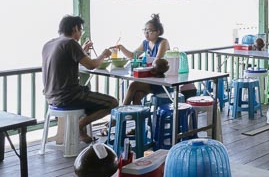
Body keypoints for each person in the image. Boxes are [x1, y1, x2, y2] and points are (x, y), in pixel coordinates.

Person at [41, 15, 118, 145]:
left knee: (90, 96)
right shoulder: (70, 43)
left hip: (50, 97)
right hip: (68, 97)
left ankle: (81, 130)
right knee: (113, 103)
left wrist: (82, 50)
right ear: (74, 28)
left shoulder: (49, 44)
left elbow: (65, 60)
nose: (81, 33)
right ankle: (79, 125)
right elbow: (92, 65)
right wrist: (104, 55)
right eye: (80, 29)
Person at [114, 13, 171, 105]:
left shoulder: (163, 42)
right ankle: (139, 119)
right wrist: (121, 47)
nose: (146, 33)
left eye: (149, 31)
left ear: (158, 32)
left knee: (133, 85)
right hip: (150, 79)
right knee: (137, 96)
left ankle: (122, 112)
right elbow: (133, 55)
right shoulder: (145, 43)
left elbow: (157, 60)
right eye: (145, 30)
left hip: (162, 81)